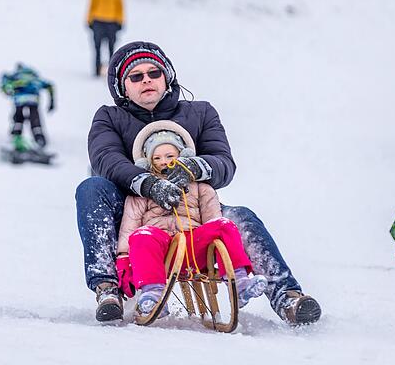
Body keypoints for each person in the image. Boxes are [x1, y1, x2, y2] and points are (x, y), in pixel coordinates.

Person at [76, 41, 321, 325]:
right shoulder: (109, 117)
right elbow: (106, 160)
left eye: (154, 73)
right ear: (123, 86)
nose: (147, 80)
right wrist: (147, 184)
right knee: (91, 188)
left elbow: (224, 162)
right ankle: (108, 289)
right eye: (136, 76)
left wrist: (196, 167)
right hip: (136, 213)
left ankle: (287, 295)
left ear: (166, 76)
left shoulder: (200, 113)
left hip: (193, 212)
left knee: (241, 217)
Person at [115, 120, 268, 318]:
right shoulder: (141, 194)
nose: (163, 161)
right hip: (160, 255)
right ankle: (153, 294)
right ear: (148, 162)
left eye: (170, 156)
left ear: (182, 157)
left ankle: (239, 281)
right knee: (141, 235)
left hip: (194, 249)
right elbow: (129, 229)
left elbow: (214, 222)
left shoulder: (201, 189)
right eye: (157, 157)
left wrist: (214, 236)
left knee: (224, 225)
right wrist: (124, 261)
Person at [0, 63, 55, 150]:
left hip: (20, 100)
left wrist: (8, 90)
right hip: (33, 100)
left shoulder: (16, 75)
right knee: (35, 118)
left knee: (18, 118)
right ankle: (39, 138)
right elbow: (49, 86)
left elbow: (5, 81)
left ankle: (16, 136)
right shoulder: (34, 77)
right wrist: (52, 102)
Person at [86, 0, 124, 77]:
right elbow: (92, 3)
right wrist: (89, 19)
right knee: (97, 47)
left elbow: (120, 5)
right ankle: (97, 70)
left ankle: (112, 71)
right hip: (98, 20)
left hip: (112, 21)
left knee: (111, 48)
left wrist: (120, 20)